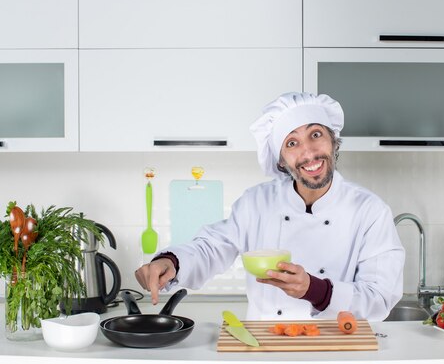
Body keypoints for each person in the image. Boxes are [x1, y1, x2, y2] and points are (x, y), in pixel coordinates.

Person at [135, 92, 405, 321]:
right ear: (281, 161)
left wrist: (315, 290)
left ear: (333, 141)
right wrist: (171, 262)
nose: (309, 152)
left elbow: (380, 298)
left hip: (334, 349)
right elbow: (212, 247)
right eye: (292, 143)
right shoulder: (256, 203)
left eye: (316, 134)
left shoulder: (369, 211)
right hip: (266, 348)